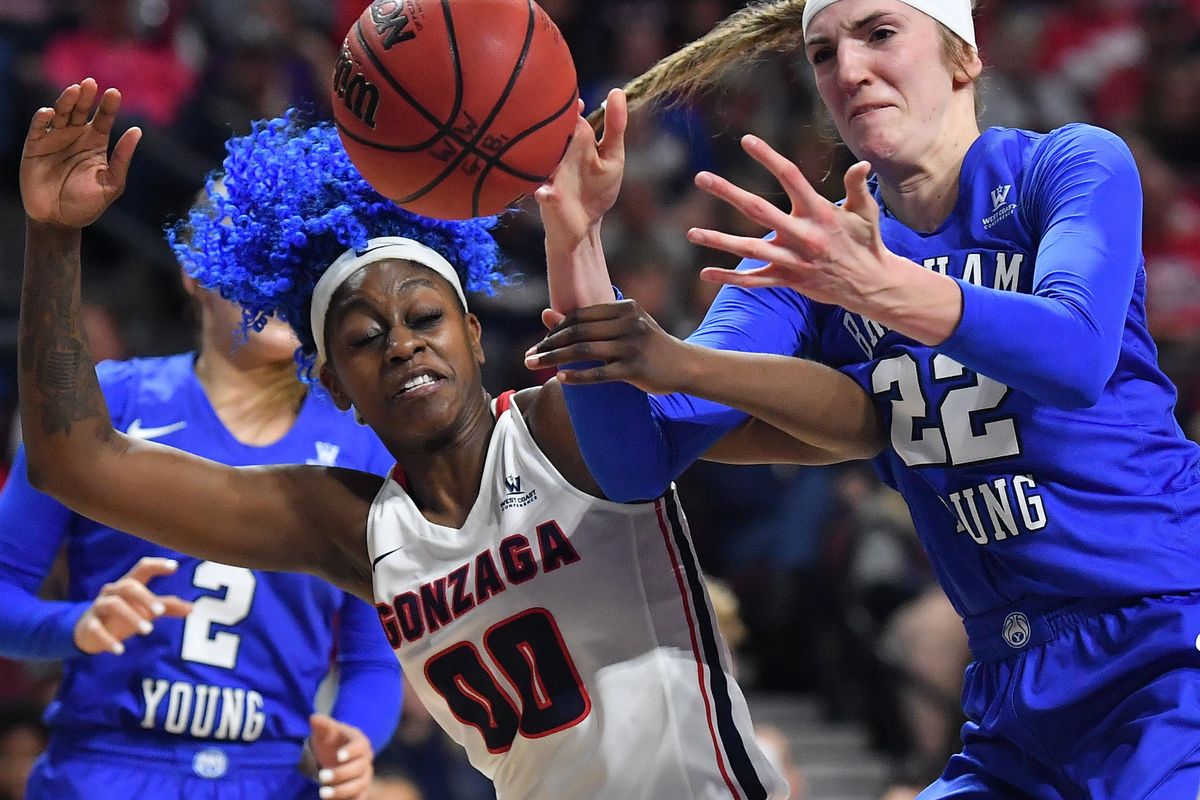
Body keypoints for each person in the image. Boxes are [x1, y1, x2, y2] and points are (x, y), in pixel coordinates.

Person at [13, 78, 882, 799]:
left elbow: (846, 429)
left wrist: (644, 322)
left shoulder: (558, 427)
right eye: (363, 339)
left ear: (473, 333)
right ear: (332, 386)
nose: (401, 343)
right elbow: (75, 461)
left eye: (425, 317)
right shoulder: (353, 526)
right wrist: (54, 237)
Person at [525, 1, 1200, 797]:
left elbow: (1075, 353)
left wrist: (887, 289)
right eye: (821, 54)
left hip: (1166, 647)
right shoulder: (808, 256)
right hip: (1011, 692)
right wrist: (577, 245)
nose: (848, 71)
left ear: (962, 58)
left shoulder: (1070, 165)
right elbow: (640, 460)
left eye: (880, 34)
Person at [0, 174, 402, 797]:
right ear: (194, 269)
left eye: (297, 258)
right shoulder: (113, 399)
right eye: (252, 252)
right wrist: (74, 626)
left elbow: (374, 658)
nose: (276, 280)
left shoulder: (365, 444)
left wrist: (354, 738)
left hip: (270, 779)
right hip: (105, 767)